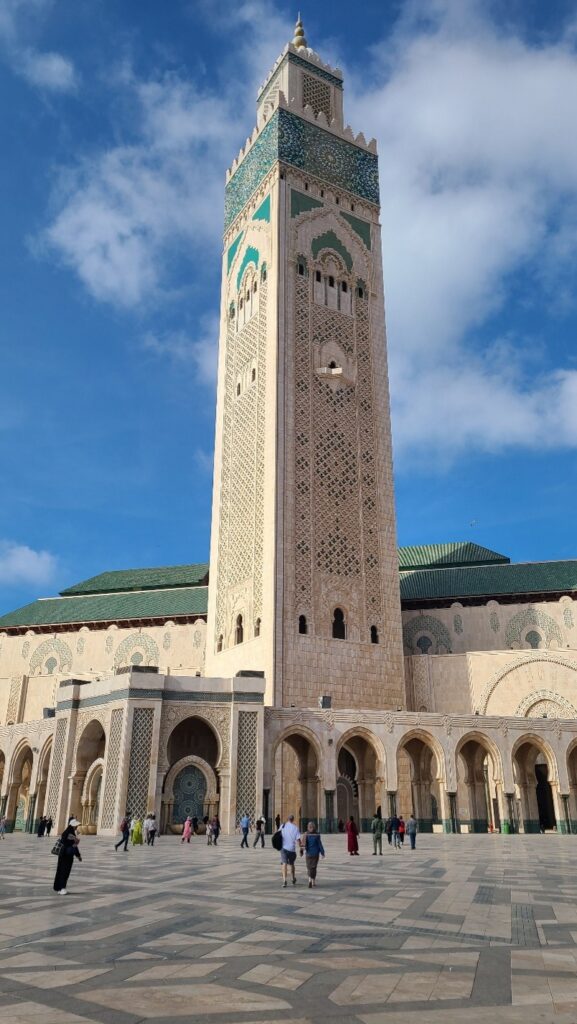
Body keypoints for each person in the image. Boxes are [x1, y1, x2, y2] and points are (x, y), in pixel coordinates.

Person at [53, 817, 82, 895]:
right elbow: (73, 845)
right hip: (66, 855)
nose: (77, 827)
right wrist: (78, 855)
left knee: (61, 871)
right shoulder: (69, 833)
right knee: (65, 872)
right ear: (72, 825)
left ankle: (59, 887)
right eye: (76, 825)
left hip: (63, 855)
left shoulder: (68, 832)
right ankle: (62, 888)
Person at [280, 814, 301, 888]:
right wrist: (301, 848)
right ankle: (293, 878)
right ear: (293, 819)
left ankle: (284, 880)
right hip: (292, 849)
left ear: (287, 819)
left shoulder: (283, 826)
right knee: (291, 864)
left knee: (284, 864)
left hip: (283, 848)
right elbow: (298, 839)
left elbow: (278, 835)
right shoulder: (296, 828)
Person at [303, 821, 325, 888]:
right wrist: (322, 852)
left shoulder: (306, 834)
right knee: (314, 867)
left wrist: (301, 851)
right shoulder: (317, 834)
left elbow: (303, 844)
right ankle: (313, 882)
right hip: (315, 854)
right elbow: (319, 844)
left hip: (308, 853)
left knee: (309, 867)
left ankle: (309, 879)